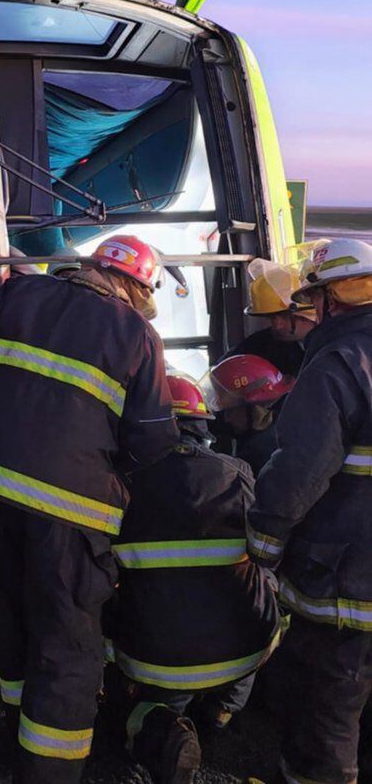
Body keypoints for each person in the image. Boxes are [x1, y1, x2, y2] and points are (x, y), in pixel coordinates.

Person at [0, 235, 179, 783]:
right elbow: (152, 439)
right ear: (136, 287)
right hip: (68, 506)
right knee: (67, 641)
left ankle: (12, 727)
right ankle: (48, 770)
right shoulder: (137, 336)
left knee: (7, 615)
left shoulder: (21, 294)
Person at [106, 373, 280, 783]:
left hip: (158, 659)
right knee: (264, 589)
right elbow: (270, 550)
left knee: (153, 673)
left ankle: (162, 719)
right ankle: (222, 713)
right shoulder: (239, 474)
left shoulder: (122, 487)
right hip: (244, 652)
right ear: (202, 425)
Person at [247, 238, 372, 784]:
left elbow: (299, 468)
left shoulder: (337, 363)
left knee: (328, 710)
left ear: (325, 301)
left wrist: (263, 542)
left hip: (348, 577)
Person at [214, 260, 316, 473]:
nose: (276, 325)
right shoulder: (260, 345)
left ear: (306, 310)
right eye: (271, 318)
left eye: (283, 316)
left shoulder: (334, 350)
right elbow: (224, 378)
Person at [208, 353, 296, 476]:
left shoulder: (258, 454)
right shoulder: (286, 429)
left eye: (231, 410)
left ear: (255, 410)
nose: (227, 419)